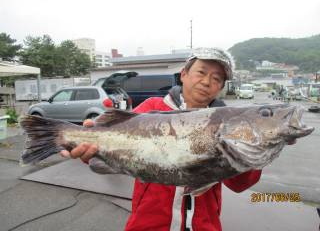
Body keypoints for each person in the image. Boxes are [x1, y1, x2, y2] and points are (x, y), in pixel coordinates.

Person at [60, 47, 262, 231]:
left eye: (217, 78)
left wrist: (254, 148)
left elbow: (240, 184)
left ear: (220, 87)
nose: (207, 81)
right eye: (201, 72)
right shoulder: (151, 108)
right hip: (147, 224)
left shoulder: (231, 124)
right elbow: (117, 142)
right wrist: (93, 150)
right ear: (184, 74)